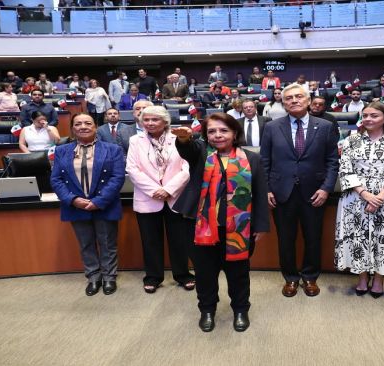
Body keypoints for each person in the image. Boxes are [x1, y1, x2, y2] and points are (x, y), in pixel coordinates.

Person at [172, 112, 269, 333]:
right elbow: (187, 149)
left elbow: (260, 193)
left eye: (223, 130)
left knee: (239, 274)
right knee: (205, 273)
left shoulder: (251, 158)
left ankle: (241, 310)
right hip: (201, 228)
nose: (217, 135)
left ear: (235, 133)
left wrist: (261, 225)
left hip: (239, 229)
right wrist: (184, 139)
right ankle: (207, 310)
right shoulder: (201, 154)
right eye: (212, 131)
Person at [260, 84, 339, 298]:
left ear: (308, 100)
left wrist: (326, 189)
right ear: (283, 103)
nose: (294, 100)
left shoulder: (325, 126)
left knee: (313, 237)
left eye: (298, 97)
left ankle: (310, 277)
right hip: (281, 193)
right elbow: (264, 161)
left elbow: (333, 161)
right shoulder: (271, 127)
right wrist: (266, 189)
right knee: (286, 239)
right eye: (289, 98)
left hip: (314, 193)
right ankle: (291, 278)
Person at [335, 102, 384, 298]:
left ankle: (378, 278)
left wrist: (380, 196)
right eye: (365, 115)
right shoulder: (351, 140)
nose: (368, 119)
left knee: (382, 239)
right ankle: (361, 276)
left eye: (374, 115)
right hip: (356, 196)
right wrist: (365, 194)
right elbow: (345, 169)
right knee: (358, 237)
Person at [50, 113, 125, 296]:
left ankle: (108, 277)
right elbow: (56, 179)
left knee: (107, 243)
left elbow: (117, 177)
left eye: (87, 123)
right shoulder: (62, 150)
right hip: (76, 205)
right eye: (78, 124)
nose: (83, 126)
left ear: (95, 126)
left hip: (104, 204)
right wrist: (72, 200)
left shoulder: (112, 149)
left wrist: (99, 201)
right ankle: (93, 277)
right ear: (73, 128)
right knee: (86, 243)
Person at [125, 106, 195, 294]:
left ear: (165, 122)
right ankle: (153, 277)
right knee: (150, 241)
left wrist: (169, 189)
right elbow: (132, 169)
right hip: (148, 198)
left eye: (154, 120)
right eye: (146, 120)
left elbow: (187, 167)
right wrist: (155, 190)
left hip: (176, 197)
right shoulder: (135, 140)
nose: (149, 123)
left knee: (179, 240)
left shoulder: (178, 138)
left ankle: (183, 275)